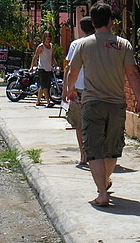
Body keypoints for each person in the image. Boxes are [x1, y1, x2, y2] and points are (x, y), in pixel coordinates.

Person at [65, 3, 140, 207]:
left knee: (94, 149)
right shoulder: (123, 44)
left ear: (93, 22)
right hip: (117, 104)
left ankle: (102, 192)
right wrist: (138, 100)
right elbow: (132, 73)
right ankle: (105, 181)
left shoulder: (83, 44)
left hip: (92, 103)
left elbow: (72, 71)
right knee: (111, 149)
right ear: (111, 21)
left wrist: (70, 89)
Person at [63, 16, 95, 166]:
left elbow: (69, 69)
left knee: (79, 124)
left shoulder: (76, 44)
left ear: (81, 28)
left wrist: (66, 90)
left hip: (77, 89)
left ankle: (83, 155)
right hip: (96, 89)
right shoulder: (100, 43)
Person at [30, 31, 56, 107]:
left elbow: (52, 57)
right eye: (47, 37)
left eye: (49, 37)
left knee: (43, 86)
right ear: (44, 38)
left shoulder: (51, 46)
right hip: (42, 68)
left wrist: (55, 63)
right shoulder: (41, 46)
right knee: (45, 86)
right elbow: (35, 56)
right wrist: (31, 66)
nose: (48, 39)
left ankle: (38, 101)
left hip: (48, 68)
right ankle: (48, 102)